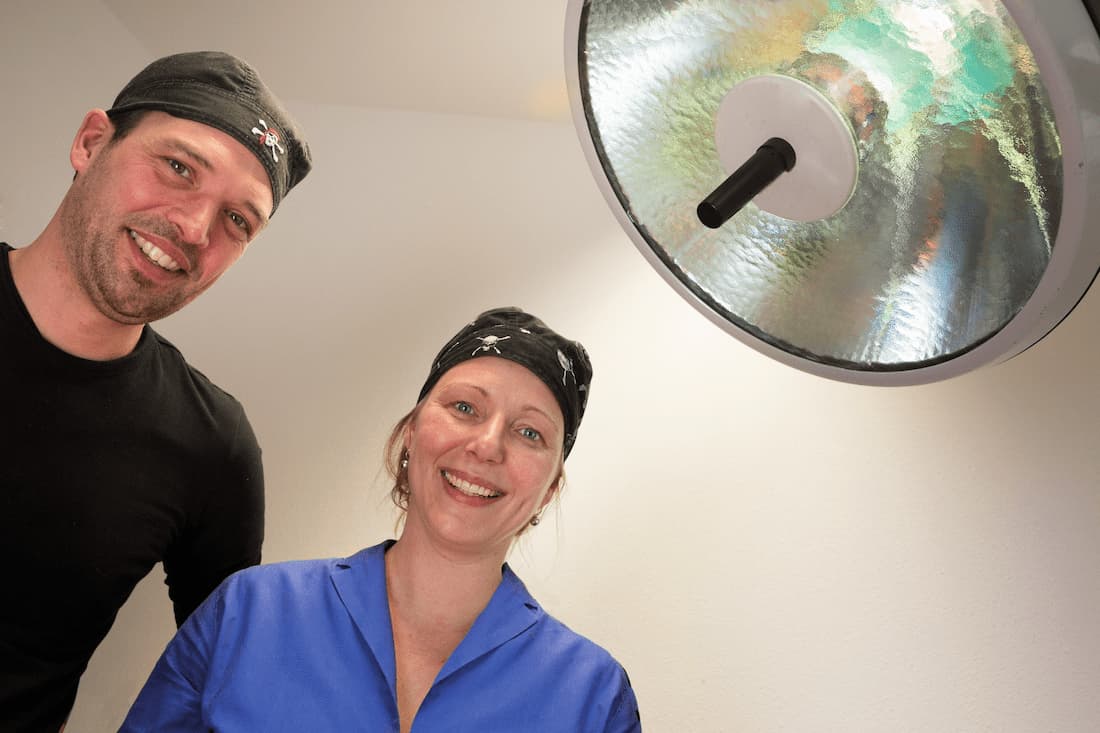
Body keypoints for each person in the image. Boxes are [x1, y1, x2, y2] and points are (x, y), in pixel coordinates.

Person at [120, 307, 642, 732]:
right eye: (464, 407)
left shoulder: (591, 698)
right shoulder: (248, 613)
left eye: (530, 433)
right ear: (411, 433)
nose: (486, 445)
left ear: (549, 488)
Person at [0, 51, 311, 731]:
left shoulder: (212, 446)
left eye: (238, 220)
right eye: (178, 167)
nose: (196, 228)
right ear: (90, 143)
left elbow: (228, 685)